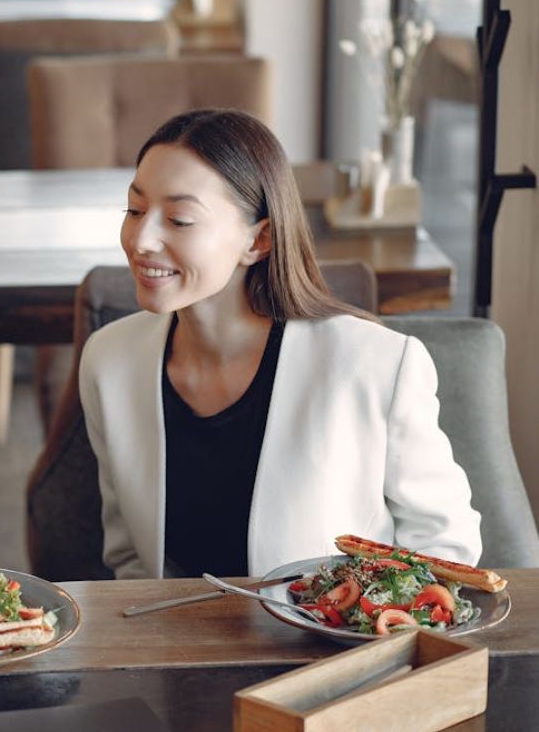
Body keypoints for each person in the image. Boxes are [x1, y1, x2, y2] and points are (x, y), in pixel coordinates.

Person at [79, 109, 481, 580]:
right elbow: (131, 558)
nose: (141, 239)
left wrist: (365, 628)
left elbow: (446, 545)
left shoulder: (377, 365)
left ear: (260, 239)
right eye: (135, 210)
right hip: (174, 638)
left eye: (180, 219)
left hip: (336, 645)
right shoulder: (109, 361)